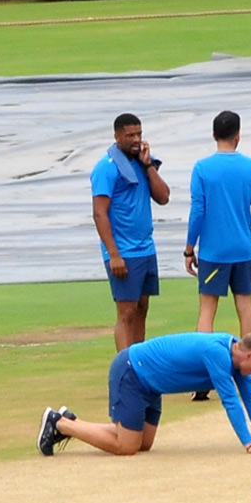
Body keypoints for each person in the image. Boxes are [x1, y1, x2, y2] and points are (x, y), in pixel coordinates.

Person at [36, 331, 251, 456]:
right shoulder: (217, 353)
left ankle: (71, 421)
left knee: (143, 445)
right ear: (249, 355)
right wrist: (248, 443)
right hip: (132, 372)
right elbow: (231, 400)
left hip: (151, 385)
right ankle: (60, 424)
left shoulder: (237, 356)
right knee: (126, 447)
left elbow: (250, 396)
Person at [184, 110, 251, 400]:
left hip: (213, 251)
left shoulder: (202, 168)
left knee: (207, 309)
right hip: (243, 249)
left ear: (213, 135)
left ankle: (203, 377)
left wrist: (189, 247)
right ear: (238, 135)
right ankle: (250, 374)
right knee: (244, 306)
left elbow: (198, 210)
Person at [90, 113, 171, 352]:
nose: (136, 140)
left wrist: (148, 167)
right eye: (130, 135)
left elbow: (164, 197)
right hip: (123, 252)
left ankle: (140, 364)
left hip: (146, 248)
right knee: (126, 312)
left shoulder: (142, 162)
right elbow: (99, 213)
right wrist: (114, 254)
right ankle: (125, 369)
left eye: (139, 134)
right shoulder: (106, 168)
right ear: (117, 136)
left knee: (142, 308)